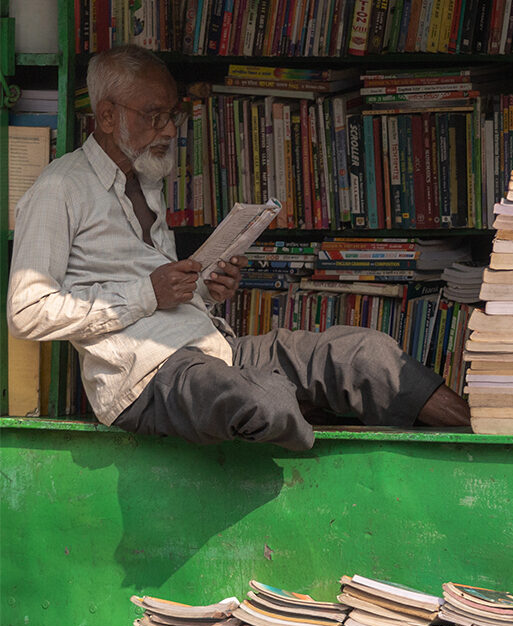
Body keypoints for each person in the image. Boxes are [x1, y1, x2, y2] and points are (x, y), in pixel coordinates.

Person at [7, 45, 470, 451]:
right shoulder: (59, 189)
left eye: (172, 114)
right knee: (262, 399)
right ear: (107, 116)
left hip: (217, 353)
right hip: (148, 379)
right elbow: (26, 311)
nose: (168, 129)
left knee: (365, 354)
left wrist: (204, 288)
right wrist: (148, 293)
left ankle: (493, 438)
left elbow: (162, 291)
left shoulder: (146, 181)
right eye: (154, 115)